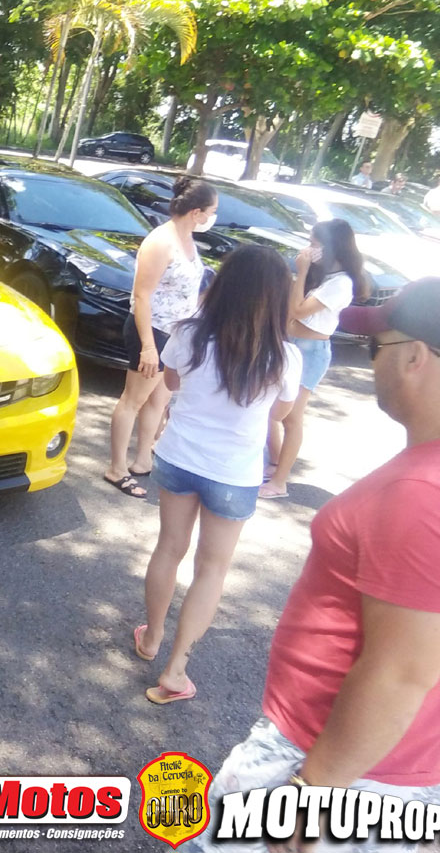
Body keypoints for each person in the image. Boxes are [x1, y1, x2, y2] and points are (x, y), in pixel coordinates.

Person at [199, 278, 440, 852]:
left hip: (335, 764)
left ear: (415, 357)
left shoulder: (428, 493)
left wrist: (311, 794)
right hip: (405, 762)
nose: (370, 362)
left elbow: (400, 672)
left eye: (375, 347)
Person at [133, 245, 302, 704]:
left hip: (179, 456)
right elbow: (279, 414)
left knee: (169, 547)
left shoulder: (189, 334)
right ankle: (176, 670)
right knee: (212, 569)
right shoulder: (285, 357)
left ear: (225, 284)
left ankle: (151, 638)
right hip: (234, 473)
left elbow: (171, 383)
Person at [104, 176, 219, 498]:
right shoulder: (160, 242)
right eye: (211, 211)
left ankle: (143, 461)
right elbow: (142, 296)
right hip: (152, 331)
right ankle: (116, 468)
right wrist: (148, 347)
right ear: (196, 212)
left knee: (159, 400)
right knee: (133, 400)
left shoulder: (187, 239)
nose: (212, 217)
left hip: (176, 334)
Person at [261, 220, 368, 499]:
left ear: (332, 246)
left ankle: (280, 482)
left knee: (291, 417)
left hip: (311, 352)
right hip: (291, 345)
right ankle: (275, 462)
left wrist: (302, 271)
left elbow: (298, 311)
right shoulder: (325, 277)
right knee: (272, 408)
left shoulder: (341, 283)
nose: (309, 249)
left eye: (314, 244)